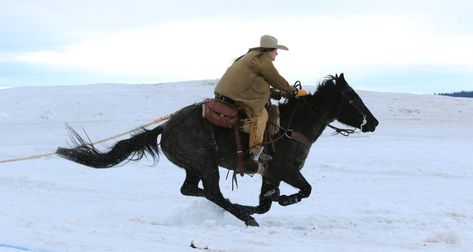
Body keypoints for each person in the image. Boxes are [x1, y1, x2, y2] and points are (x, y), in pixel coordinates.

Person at [214, 35, 308, 164]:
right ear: (269, 50)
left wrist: (280, 94)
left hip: (229, 93)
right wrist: (294, 91)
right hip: (235, 96)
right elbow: (276, 80)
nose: (277, 53)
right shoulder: (262, 60)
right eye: (275, 50)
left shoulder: (253, 57)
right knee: (261, 116)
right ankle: (254, 154)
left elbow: (258, 86)